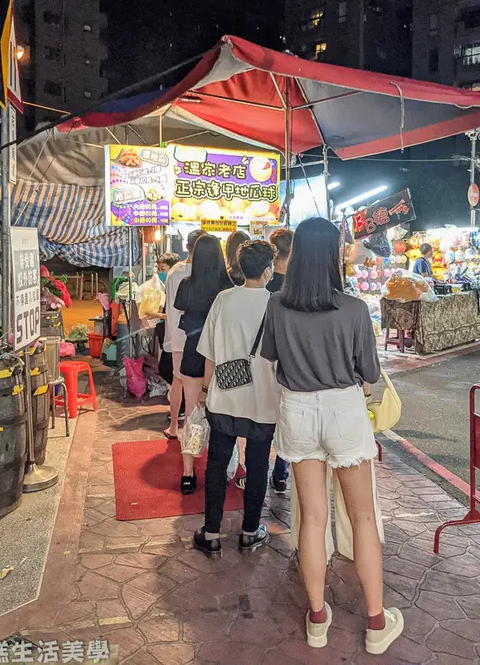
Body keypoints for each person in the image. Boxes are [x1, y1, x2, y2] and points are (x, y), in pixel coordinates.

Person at [261, 217, 403, 655]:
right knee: (361, 517)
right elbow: (371, 373)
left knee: (313, 518)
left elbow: (271, 357)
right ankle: (377, 623)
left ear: (298, 255)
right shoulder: (355, 309)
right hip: (343, 411)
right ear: (333, 256)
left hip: (298, 411)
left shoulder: (277, 305)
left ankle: (318, 618)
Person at [193, 240, 278, 557]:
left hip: (225, 398)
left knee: (216, 465)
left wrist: (203, 390)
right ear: (267, 270)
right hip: (263, 401)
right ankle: (250, 531)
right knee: (257, 467)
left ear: (241, 268)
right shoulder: (276, 304)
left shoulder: (223, 299)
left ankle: (211, 533)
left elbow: (209, 353)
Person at [174, 234, 232, 494]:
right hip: (222, 353)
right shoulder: (229, 285)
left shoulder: (187, 283)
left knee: (192, 414)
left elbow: (181, 312)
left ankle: (188, 473)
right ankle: (219, 468)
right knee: (222, 416)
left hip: (193, 351)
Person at [163, 230, 205, 441]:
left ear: (186, 247)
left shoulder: (175, 272)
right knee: (198, 385)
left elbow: (171, 307)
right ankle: (193, 428)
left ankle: (173, 427)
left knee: (178, 382)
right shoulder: (208, 272)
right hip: (200, 338)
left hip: (178, 336)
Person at [266, 228, 293, 494]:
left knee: (264, 417)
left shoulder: (264, 280)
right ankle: (281, 472)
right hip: (289, 360)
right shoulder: (298, 283)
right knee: (285, 418)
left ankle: (259, 467)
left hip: (264, 356)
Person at [154, 253, 180, 387]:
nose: (160, 273)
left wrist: (157, 315)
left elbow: (173, 313)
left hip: (176, 336)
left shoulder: (178, 284)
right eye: (158, 269)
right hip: (168, 334)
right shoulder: (166, 287)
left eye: (163, 269)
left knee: (167, 369)